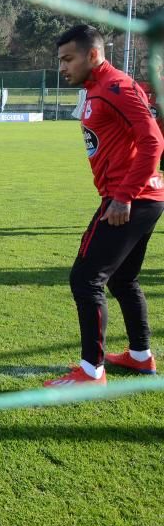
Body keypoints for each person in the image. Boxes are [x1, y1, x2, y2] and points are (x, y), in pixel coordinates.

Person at [44, 24, 164, 387]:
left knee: (85, 278)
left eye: (68, 59)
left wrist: (124, 195)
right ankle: (141, 357)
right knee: (123, 278)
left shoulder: (116, 87)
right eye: (60, 60)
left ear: (93, 55)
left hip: (130, 199)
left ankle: (91, 370)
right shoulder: (98, 89)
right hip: (140, 197)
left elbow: (153, 140)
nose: (63, 67)